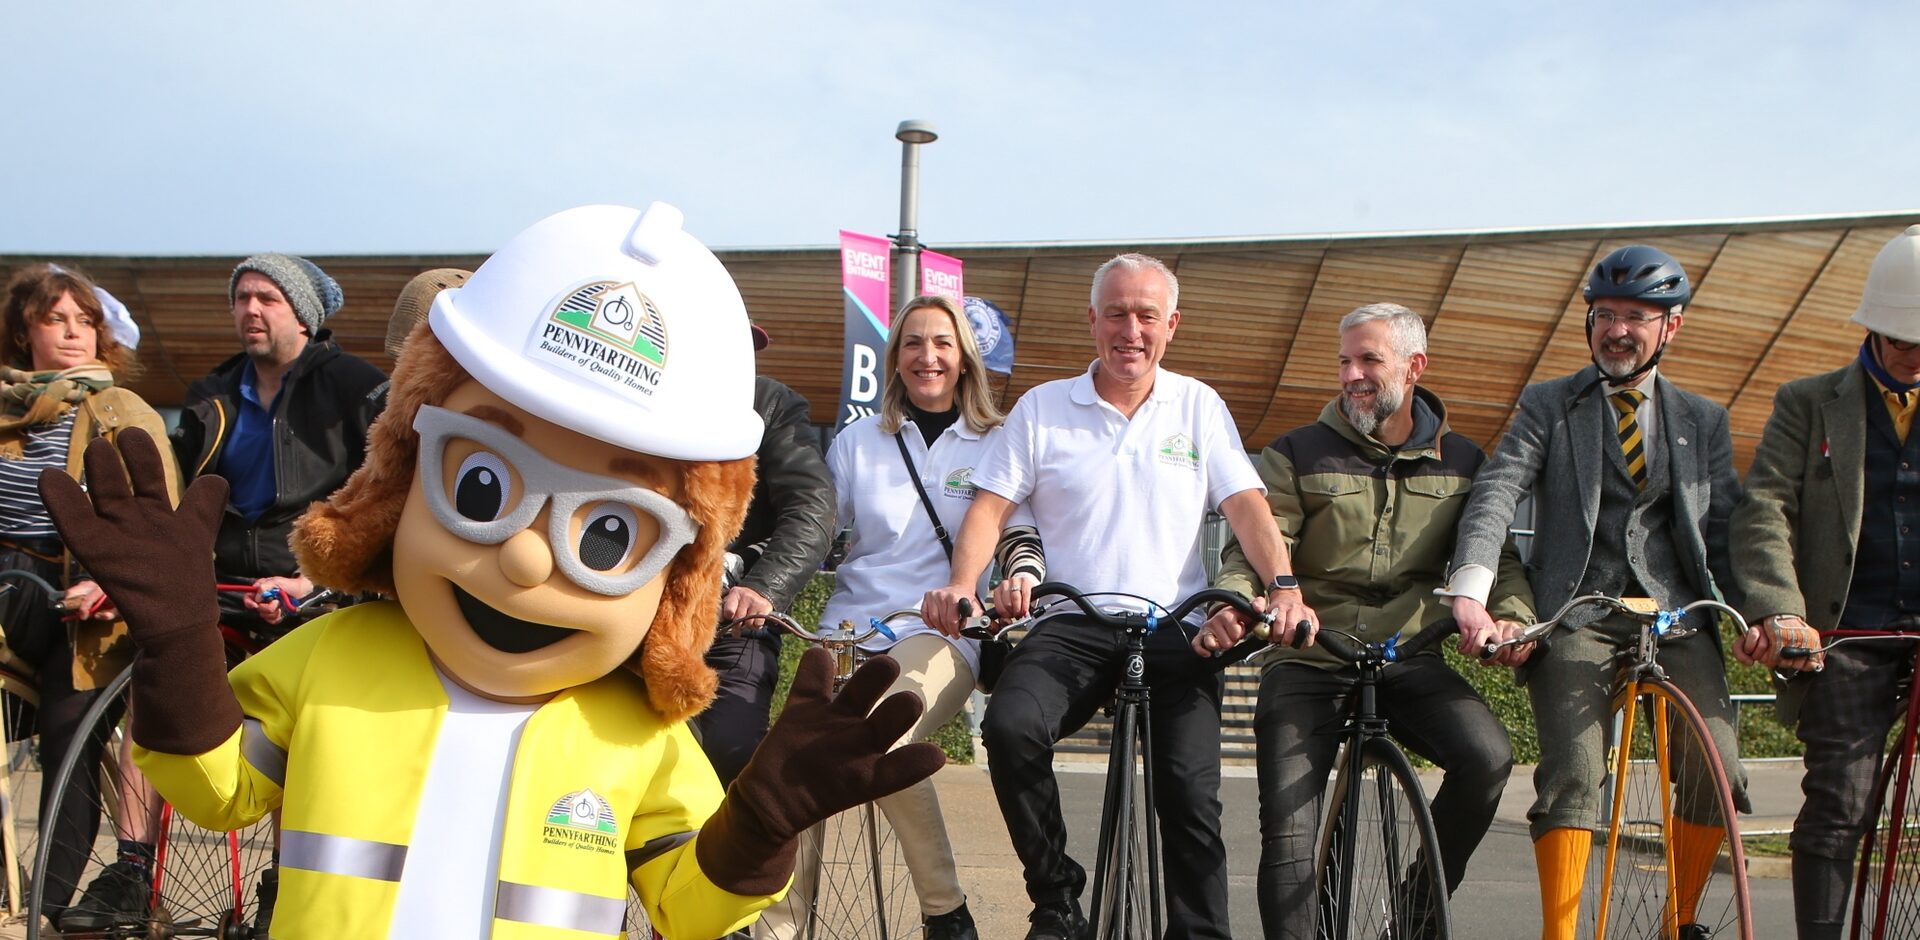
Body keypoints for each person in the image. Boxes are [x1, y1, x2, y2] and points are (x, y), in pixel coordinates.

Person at [38, 202, 944, 939]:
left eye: (607, 535)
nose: (522, 553)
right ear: (398, 473)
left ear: (676, 579)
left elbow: (689, 903)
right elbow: (215, 787)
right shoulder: (331, 658)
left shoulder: (634, 732)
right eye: (481, 483)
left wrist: (759, 824)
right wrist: (178, 641)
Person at [921, 253, 1312, 940]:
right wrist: (962, 583)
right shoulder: (1044, 408)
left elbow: (1248, 506)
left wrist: (1283, 587)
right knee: (1011, 730)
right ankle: (1056, 896)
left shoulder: (1197, 405)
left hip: (1173, 626)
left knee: (1191, 796)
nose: (1131, 330)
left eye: (1147, 316)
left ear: (1172, 326)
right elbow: (988, 509)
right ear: (1092, 320)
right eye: (1117, 314)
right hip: (1072, 621)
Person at [1443, 245, 1749, 940]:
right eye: (1604, 314)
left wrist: (1763, 614)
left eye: (1636, 317)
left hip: (1677, 616)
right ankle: (1561, 934)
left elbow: (1728, 526)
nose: (1617, 329)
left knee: (1716, 767)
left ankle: (1680, 922)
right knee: (1576, 772)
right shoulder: (1550, 405)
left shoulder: (1703, 420)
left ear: (1671, 326)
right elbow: (1496, 492)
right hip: (1579, 611)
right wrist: (1472, 590)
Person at [1199, 302, 1532, 939]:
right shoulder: (1296, 451)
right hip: (1310, 656)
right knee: (1291, 835)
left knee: (1487, 756)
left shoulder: (1463, 459)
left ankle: (1419, 907)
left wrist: (1509, 619)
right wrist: (1238, 604)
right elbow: (1255, 545)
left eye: (1369, 360)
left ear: (1414, 368)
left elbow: (1497, 556)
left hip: (1410, 656)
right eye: (1344, 361)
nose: (1351, 374)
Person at [764, 295, 1025, 940]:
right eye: (913, 343)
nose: (927, 355)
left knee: (884, 733)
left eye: (941, 342)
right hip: (848, 628)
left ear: (964, 356)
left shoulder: (999, 441)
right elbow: (817, 526)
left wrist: (1014, 580)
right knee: (795, 759)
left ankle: (946, 913)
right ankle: (775, 927)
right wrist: (758, 575)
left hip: (941, 634)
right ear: (895, 356)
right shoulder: (859, 438)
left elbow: (1022, 535)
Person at [1729, 224, 1920, 939]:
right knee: (1839, 801)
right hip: (1848, 630)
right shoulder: (1808, 403)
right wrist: (1781, 612)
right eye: (1905, 341)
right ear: (1872, 328)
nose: (1916, 357)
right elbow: (1765, 510)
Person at [0, 264, 178, 924]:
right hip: (10, 582)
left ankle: (42, 907)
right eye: (55, 319)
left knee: (68, 733)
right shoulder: (7, 408)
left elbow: (157, 511)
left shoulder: (120, 409)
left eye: (85, 321)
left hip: (89, 594)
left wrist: (110, 578)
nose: (73, 333)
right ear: (25, 333)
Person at [170, 253, 386, 637]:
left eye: (267, 299)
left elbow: (386, 490)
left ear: (304, 316)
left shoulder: (356, 386)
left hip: (320, 596)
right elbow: (175, 492)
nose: (250, 309)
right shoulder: (210, 394)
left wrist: (315, 580)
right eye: (241, 298)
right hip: (221, 591)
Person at [693, 324, 835, 789]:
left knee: (730, 748)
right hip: (640, 613)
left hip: (734, 619)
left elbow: (812, 507)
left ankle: (720, 860)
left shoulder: (772, 404)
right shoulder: (641, 397)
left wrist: (762, 586)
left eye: (740, 346)